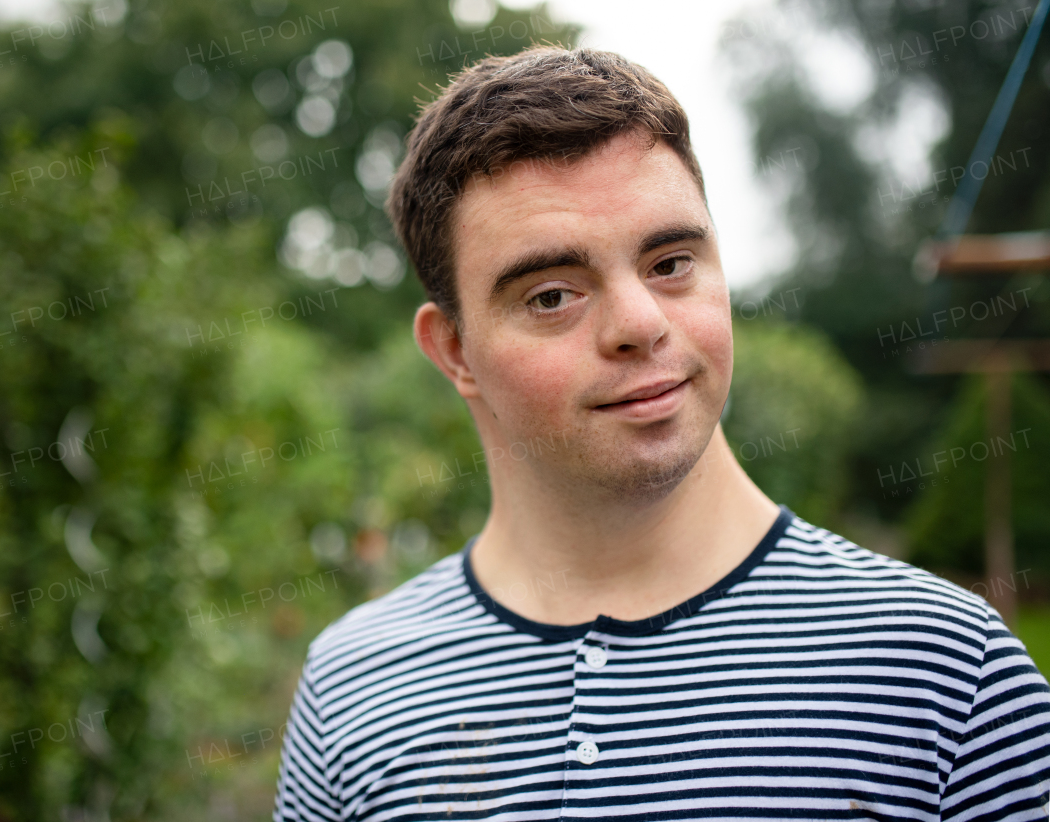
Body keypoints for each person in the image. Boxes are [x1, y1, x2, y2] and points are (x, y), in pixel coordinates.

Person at [272, 46, 1050, 820]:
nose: (642, 325)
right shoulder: (354, 687)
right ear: (454, 351)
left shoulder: (946, 676)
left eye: (672, 262)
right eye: (551, 296)